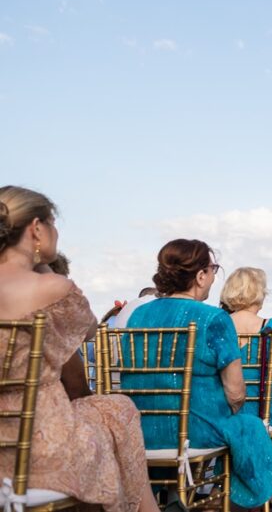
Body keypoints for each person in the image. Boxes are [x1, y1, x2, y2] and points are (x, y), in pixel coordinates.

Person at [0, 186, 160, 512]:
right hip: (36, 447)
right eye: (53, 223)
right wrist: (44, 264)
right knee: (118, 410)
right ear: (36, 229)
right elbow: (88, 332)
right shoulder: (54, 288)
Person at [126, 239, 272, 507]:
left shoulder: (137, 315)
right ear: (200, 276)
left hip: (140, 429)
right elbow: (235, 393)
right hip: (194, 430)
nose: (213, 278)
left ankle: (176, 494)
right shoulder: (213, 318)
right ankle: (232, 496)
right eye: (213, 270)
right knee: (249, 425)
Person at [220, 267, 272, 507]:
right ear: (259, 293)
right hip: (261, 408)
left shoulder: (220, 324)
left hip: (228, 405)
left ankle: (238, 480)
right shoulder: (269, 326)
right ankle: (267, 486)